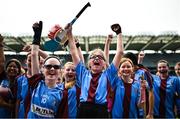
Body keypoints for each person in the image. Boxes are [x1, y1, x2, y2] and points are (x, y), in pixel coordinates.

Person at [65, 23, 123, 118]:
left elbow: (120, 53)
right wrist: (69, 33)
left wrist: (119, 33)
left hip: (101, 111)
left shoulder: (109, 74)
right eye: (93, 57)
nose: (96, 59)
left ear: (105, 64)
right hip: (83, 110)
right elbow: (73, 52)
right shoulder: (82, 73)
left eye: (100, 57)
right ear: (89, 63)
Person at [27, 21, 64, 118]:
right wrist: (37, 35)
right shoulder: (37, 83)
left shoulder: (63, 92)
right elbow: (34, 54)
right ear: (43, 68)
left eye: (56, 67)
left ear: (60, 71)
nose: (52, 69)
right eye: (48, 66)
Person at [123, 52, 154, 118]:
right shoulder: (126, 73)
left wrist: (150, 113)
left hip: (142, 111)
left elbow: (151, 92)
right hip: (129, 110)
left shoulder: (144, 72)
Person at [0, 34, 22, 118]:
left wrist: (4, 104)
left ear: (19, 70)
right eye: (10, 66)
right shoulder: (3, 78)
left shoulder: (20, 83)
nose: (12, 68)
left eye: (15, 67)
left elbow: (19, 106)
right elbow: (1, 63)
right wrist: (1, 45)